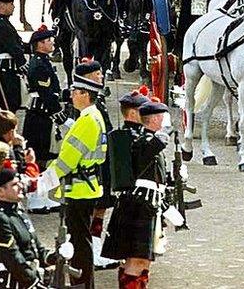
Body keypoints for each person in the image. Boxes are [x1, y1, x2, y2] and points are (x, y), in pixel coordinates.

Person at [35, 59, 108, 289]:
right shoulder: (90, 116)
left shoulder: (87, 120)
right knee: (80, 239)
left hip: (80, 188)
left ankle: (82, 283)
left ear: (86, 94)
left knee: (79, 241)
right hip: (85, 185)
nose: (72, 95)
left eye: (75, 91)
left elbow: (67, 160)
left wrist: (42, 183)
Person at [102, 89, 170, 289]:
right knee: (136, 260)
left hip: (147, 202)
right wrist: (159, 137)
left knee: (143, 260)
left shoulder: (142, 137)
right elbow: (143, 154)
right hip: (138, 203)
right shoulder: (137, 139)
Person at [0, 168, 69, 289]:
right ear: (0, 191)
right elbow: (12, 258)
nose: (20, 186)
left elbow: (36, 248)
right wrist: (33, 282)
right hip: (12, 282)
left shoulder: (19, 213)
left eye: (20, 182)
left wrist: (56, 255)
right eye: (14, 184)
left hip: (27, 279)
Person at [24, 25, 62, 171]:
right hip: (40, 114)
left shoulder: (43, 61)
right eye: (49, 40)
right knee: (39, 153)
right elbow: (46, 93)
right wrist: (59, 113)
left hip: (43, 112)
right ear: (40, 44)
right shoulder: (39, 65)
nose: (53, 42)